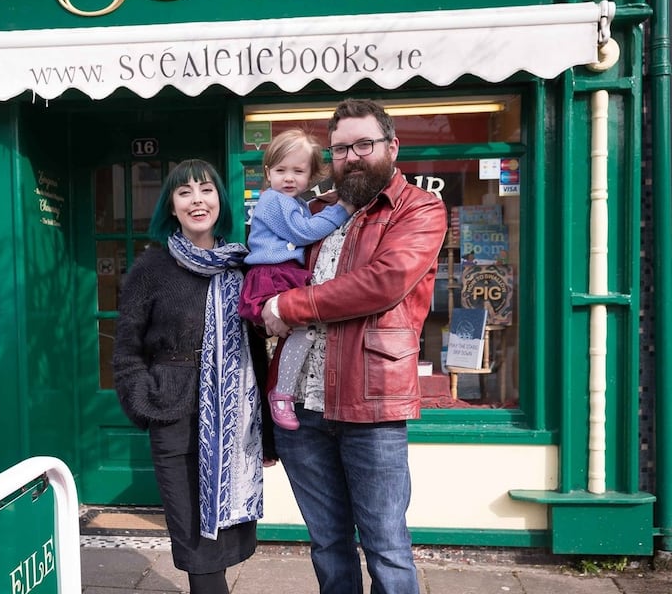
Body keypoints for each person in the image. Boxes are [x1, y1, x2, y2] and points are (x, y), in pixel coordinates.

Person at [261, 99, 447, 594]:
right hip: (300, 408)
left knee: (386, 546)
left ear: (391, 146)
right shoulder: (317, 212)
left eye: (364, 144)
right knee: (327, 543)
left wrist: (287, 306)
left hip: (372, 404)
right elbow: (268, 261)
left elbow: (382, 284)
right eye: (341, 148)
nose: (353, 156)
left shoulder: (419, 209)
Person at [113, 159, 264, 594]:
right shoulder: (151, 269)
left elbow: (257, 349)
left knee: (224, 534)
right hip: (174, 410)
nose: (197, 200)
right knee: (193, 530)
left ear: (220, 200)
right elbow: (126, 348)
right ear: (172, 207)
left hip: (233, 417)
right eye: (185, 193)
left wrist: (266, 433)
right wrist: (146, 401)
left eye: (206, 190)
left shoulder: (242, 266)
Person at [238, 128, 354, 430]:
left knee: (302, 332)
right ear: (267, 172)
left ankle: (282, 392)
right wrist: (340, 210)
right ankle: (282, 394)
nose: (288, 178)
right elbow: (303, 233)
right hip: (272, 276)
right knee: (303, 331)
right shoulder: (272, 200)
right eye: (280, 170)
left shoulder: (296, 204)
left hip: (284, 273)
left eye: (298, 171)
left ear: (311, 175)